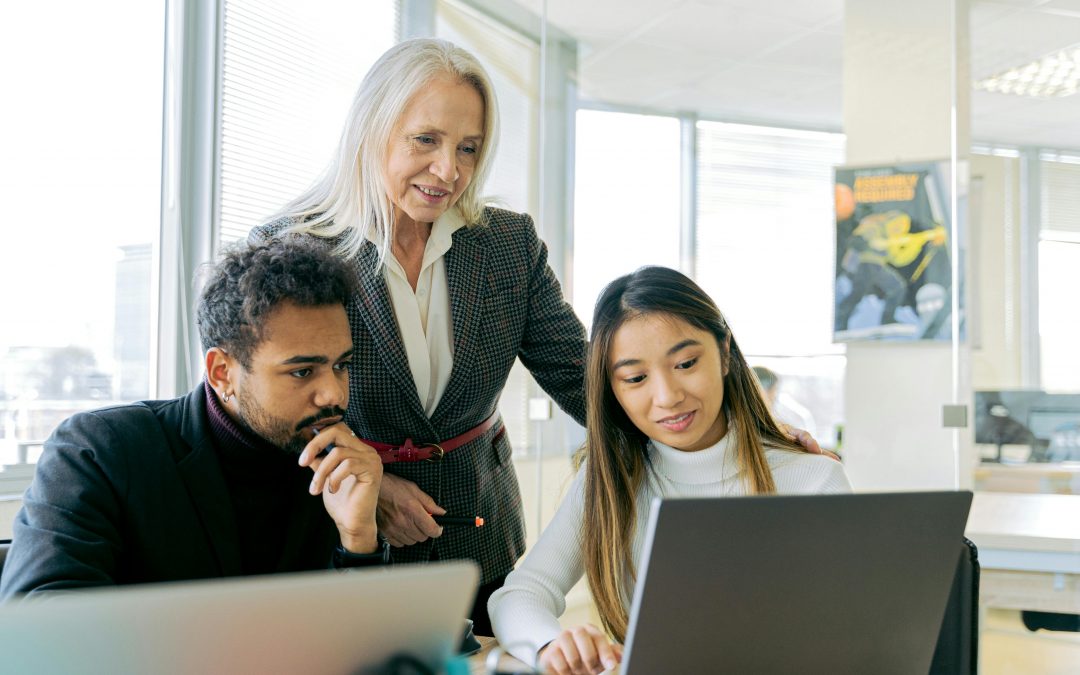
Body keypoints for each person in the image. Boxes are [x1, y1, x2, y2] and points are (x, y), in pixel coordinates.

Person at [251, 38, 826, 635]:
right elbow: (264, 410)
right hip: (342, 534)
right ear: (371, 132)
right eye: (426, 140)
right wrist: (373, 483)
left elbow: (588, 378)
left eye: (468, 148)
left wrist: (747, 434)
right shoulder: (290, 248)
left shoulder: (504, 243)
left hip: (477, 531)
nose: (449, 170)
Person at [488, 267, 852, 674]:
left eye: (685, 363)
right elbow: (519, 595)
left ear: (725, 353)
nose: (667, 396)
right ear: (613, 389)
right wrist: (552, 645)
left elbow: (852, 629)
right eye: (636, 377)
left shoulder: (814, 479)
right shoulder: (610, 480)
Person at [1, 238, 388, 600]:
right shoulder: (99, 451)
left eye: (342, 365)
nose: (334, 394)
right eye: (303, 371)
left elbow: (366, 649)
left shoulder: (334, 470)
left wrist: (358, 539)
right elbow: (42, 618)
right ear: (222, 373)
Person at [752, 365, 818, 440]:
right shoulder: (769, 429)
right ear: (761, 391)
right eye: (774, 390)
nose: (775, 396)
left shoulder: (780, 427)